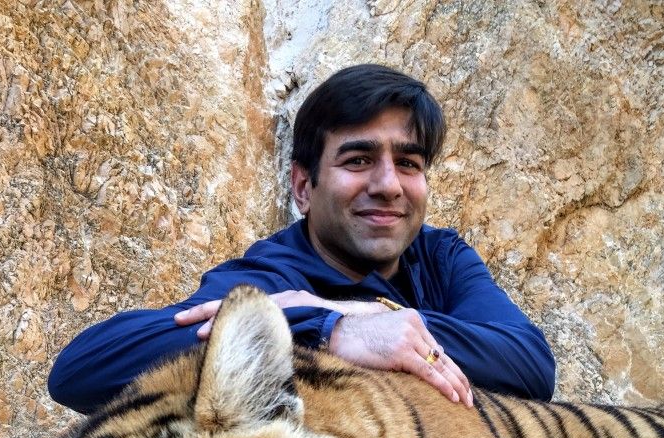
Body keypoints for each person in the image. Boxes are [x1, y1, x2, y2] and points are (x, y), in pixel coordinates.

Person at [48, 65, 555, 414]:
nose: (388, 185)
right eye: (357, 160)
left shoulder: (441, 256)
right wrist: (324, 329)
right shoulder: (274, 276)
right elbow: (82, 371)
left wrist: (365, 316)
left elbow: (529, 365)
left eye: (408, 163)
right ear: (303, 187)